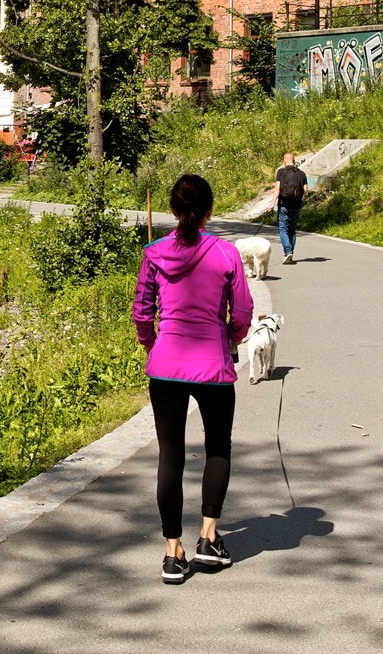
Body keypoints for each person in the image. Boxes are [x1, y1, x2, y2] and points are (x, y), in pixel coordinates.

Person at [133, 174, 252, 584]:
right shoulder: (227, 254)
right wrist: (231, 339)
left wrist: (153, 344)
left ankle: (171, 552)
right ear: (209, 211)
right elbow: (241, 314)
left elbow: (141, 312)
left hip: (166, 365)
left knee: (171, 455)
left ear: (171, 210)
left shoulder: (154, 253)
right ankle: (208, 538)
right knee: (218, 446)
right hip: (213, 366)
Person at [273, 152, 308, 264]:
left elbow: (277, 188)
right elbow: (306, 190)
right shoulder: (301, 173)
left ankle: (288, 251)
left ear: (284, 160)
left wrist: (272, 203)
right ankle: (290, 253)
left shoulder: (281, 172)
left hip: (284, 205)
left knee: (283, 229)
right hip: (296, 205)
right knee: (292, 230)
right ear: (294, 160)